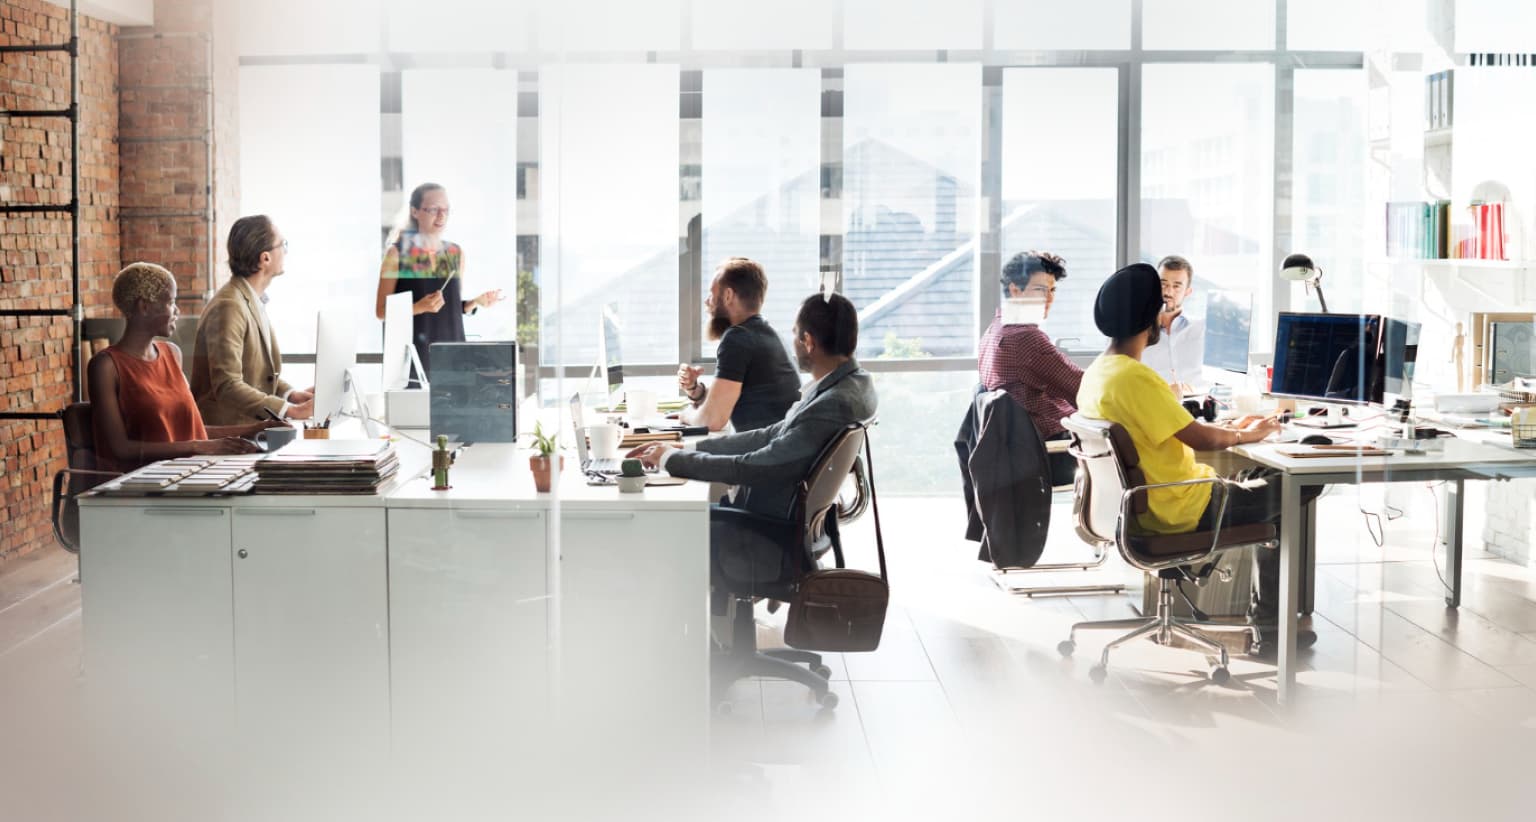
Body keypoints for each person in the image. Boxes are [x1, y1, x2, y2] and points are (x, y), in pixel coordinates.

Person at [1076, 263, 1318, 653]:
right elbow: (1201, 438)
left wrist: (1239, 429)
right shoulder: (1135, 377)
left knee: (1263, 472)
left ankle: (1270, 622)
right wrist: (1248, 432)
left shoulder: (1100, 372)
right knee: (1300, 479)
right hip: (1184, 507)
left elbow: (1175, 427)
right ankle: (1271, 631)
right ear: (1151, 317)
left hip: (1149, 505)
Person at [631, 292, 877, 527]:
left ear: (808, 341)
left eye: (795, 334)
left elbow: (754, 466)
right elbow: (770, 434)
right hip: (784, 519)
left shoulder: (832, 404)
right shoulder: (855, 383)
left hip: (769, 530)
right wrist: (686, 448)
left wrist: (669, 459)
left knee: (667, 519)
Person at [91, 263, 280, 471]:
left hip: (183, 474)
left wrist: (255, 429)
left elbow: (192, 431)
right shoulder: (106, 366)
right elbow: (121, 449)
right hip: (137, 485)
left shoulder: (172, 354)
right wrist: (199, 447)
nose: (177, 310)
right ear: (144, 307)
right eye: (171, 302)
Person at [191, 215, 314, 425]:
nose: (285, 251)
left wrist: (290, 395)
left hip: (249, 430)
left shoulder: (250, 299)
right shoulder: (229, 305)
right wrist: (290, 411)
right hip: (229, 434)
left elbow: (255, 373)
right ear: (265, 258)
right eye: (282, 245)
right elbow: (228, 385)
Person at [374, 183, 504, 379]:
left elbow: (450, 307)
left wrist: (474, 303)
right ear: (415, 211)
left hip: (454, 357)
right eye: (434, 209)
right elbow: (381, 311)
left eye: (446, 209)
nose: (441, 215)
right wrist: (418, 307)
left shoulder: (455, 253)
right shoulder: (398, 254)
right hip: (413, 361)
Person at [978, 250, 1081, 486]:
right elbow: (1083, 388)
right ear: (1015, 290)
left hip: (1019, 451)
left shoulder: (996, 329)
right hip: (1050, 454)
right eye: (1040, 290)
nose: (1049, 299)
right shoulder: (1025, 337)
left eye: (1052, 290)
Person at [675, 258, 802, 432]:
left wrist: (686, 415)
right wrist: (695, 389)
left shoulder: (738, 338)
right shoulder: (765, 333)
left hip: (765, 453)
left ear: (728, 296)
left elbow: (712, 421)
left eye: (712, 294)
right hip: (779, 446)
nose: (707, 301)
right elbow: (729, 396)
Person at [1140, 254, 1205, 395]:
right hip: (1154, 405)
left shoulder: (1202, 330)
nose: (1168, 292)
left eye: (1176, 286)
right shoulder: (1137, 333)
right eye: (1163, 284)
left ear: (1188, 291)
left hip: (1197, 406)